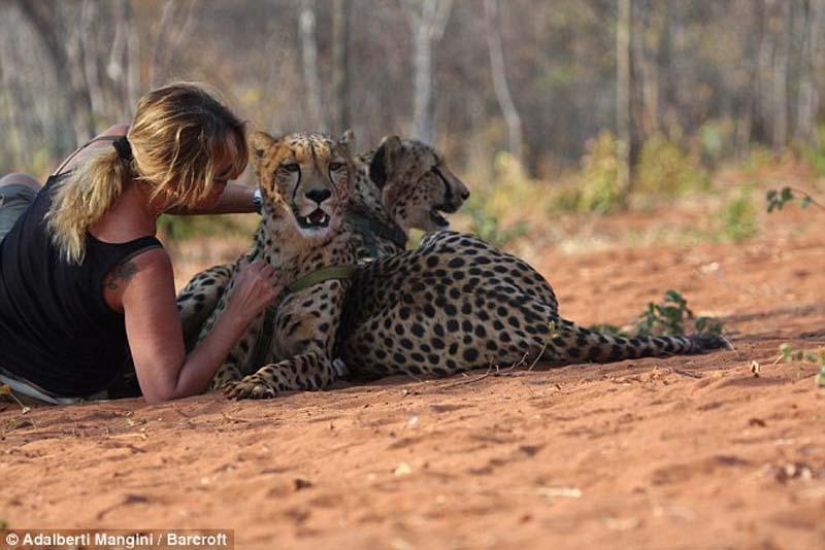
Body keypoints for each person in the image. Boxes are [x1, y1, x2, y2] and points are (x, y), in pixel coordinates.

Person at [0, 82, 280, 405]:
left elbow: (174, 193)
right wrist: (237, 311)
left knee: (17, 185)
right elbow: (165, 391)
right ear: (179, 184)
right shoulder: (141, 265)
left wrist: (260, 199)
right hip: (29, 379)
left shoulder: (114, 145)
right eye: (219, 179)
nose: (226, 185)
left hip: (14, 303)